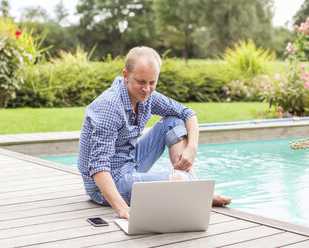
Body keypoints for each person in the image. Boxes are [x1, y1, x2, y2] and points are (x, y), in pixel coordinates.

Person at [78, 46, 231, 219]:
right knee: (181, 180)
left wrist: (192, 148)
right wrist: (122, 209)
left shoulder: (147, 96)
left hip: (129, 162)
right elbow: (98, 166)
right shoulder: (110, 106)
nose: (147, 89)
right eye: (141, 82)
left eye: (152, 82)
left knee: (174, 122)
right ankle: (197, 191)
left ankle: (198, 191)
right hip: (104, 185)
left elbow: (188, 113)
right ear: (126, 76)